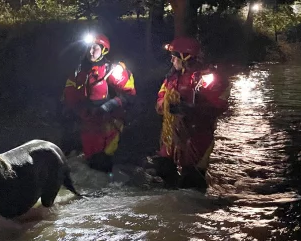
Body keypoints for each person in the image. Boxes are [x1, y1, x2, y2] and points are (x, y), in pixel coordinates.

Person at [150, 36, 229, 190]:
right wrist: (163, 105)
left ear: (186, 57)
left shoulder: (208, 78)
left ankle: (193, 207)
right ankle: (170, 202)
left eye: (175, 57)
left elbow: (219, 105)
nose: (172, 61)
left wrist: (189, 108)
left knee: (192, 180)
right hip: (173, 134)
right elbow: (161, 96)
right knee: (163, 168)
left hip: (197, 135)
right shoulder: (172, 77)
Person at [62, 33, 136, 172]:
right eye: (88, 47)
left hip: (107, 126)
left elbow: (129, 95)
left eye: (95, 48)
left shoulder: (112, 70)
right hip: (87, 125)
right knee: (90, 164)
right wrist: (73, 110)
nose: (91, 51)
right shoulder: (78, 72)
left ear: (103, 50)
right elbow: (69, 96)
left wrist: (107, 106)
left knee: (104, 164)